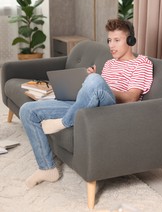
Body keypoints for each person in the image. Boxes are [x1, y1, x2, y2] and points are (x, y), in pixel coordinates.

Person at [19, 18, 153, 188]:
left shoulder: (142, 63)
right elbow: (97, 88)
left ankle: (63, 122)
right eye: (109, 40)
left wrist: (97, 84)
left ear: (130, 40)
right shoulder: (110, 63)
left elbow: (131, 97)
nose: (111, 45)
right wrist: (89, 82)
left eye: (117, 40)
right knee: (27, 110)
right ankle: (47, 168)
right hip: (86, 105)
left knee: (95, 81)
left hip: (112, 112)